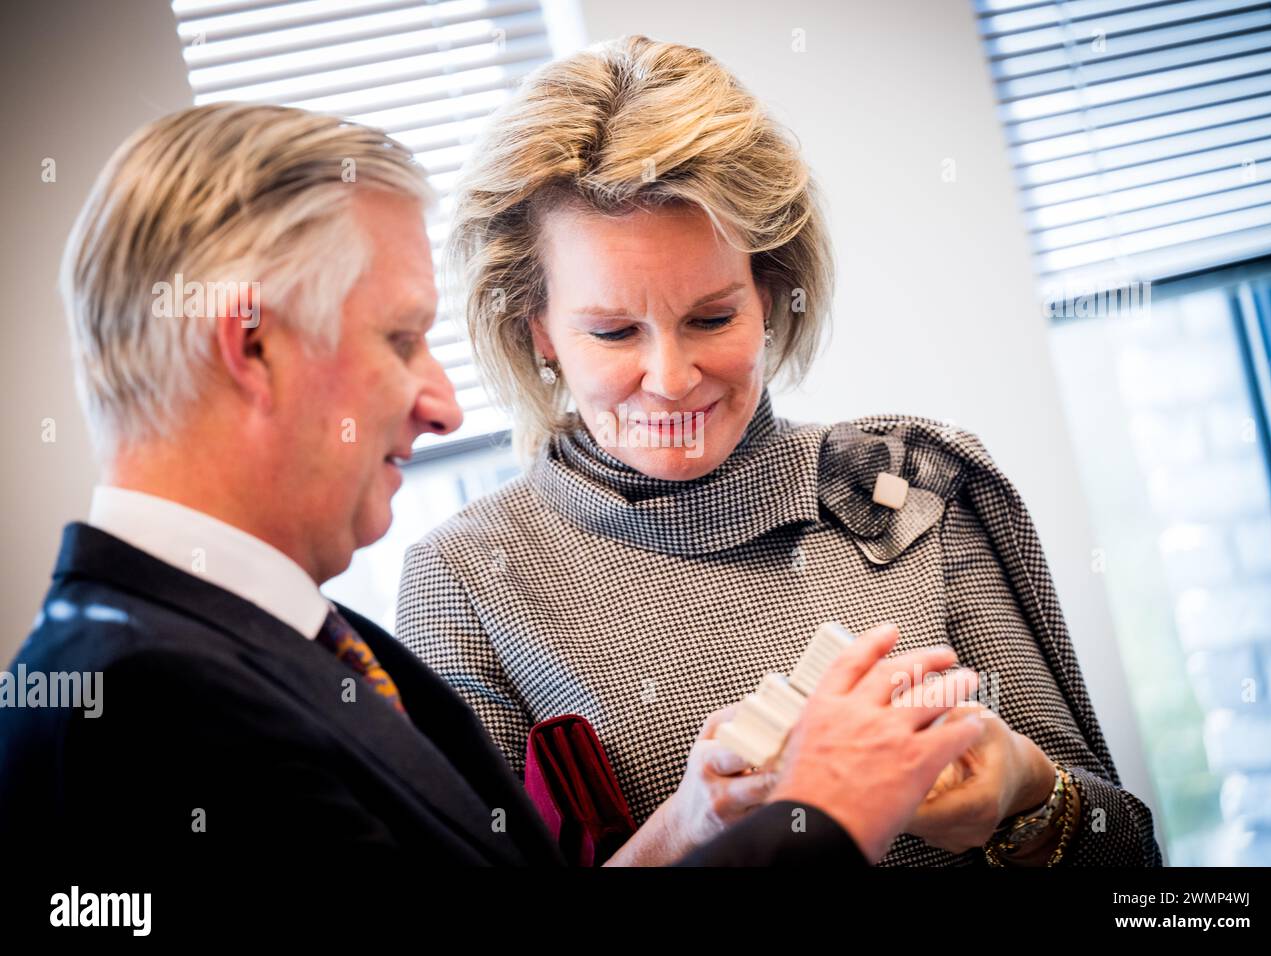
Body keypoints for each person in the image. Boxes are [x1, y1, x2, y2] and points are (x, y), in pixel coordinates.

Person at [0, 102, 986, 871]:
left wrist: (688, 824)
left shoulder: (307, 644)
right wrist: (823, 814)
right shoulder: (142, 714)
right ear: (251, 345)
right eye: (398, 338)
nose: (439, 403)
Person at [396, 35, 1163, 867]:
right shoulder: (467, 582)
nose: (672, 377)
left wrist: (1023, 794)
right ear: (537, 329)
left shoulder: (910, 484)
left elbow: (1129, 859)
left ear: (769, 292)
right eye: (615, 331)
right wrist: (687, 828)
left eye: (712, 317)